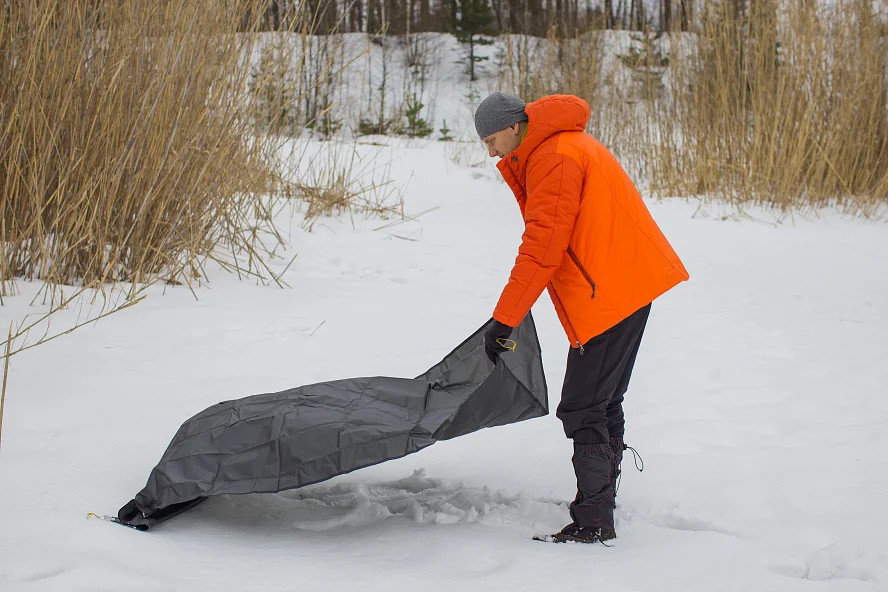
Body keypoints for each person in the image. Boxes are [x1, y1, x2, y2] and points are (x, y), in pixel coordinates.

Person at [476, 92, 689, 544]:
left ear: (514, 126)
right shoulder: (562, 145)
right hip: (623, 286)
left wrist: (504, 319)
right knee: (603, 400)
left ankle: (593, 519)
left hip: (610, 293)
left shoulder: (554, 157)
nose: (491, 152)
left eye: (492, 140)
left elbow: (543, 247)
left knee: (582, 405)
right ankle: (600, 500)